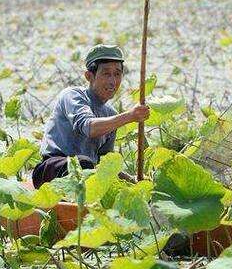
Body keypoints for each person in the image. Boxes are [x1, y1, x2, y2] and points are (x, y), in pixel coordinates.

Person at [32, 44, 150, 188]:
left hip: (88, 174)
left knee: (94, 172)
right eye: (106, 74)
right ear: (89, 76)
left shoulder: (110, 114)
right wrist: (130, 116)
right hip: (52, 170)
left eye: (117, 74)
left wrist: (131, 182)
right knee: (83, 164)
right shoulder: (72, 95)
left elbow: (105, 163)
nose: (112, 81)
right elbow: (89, 127)